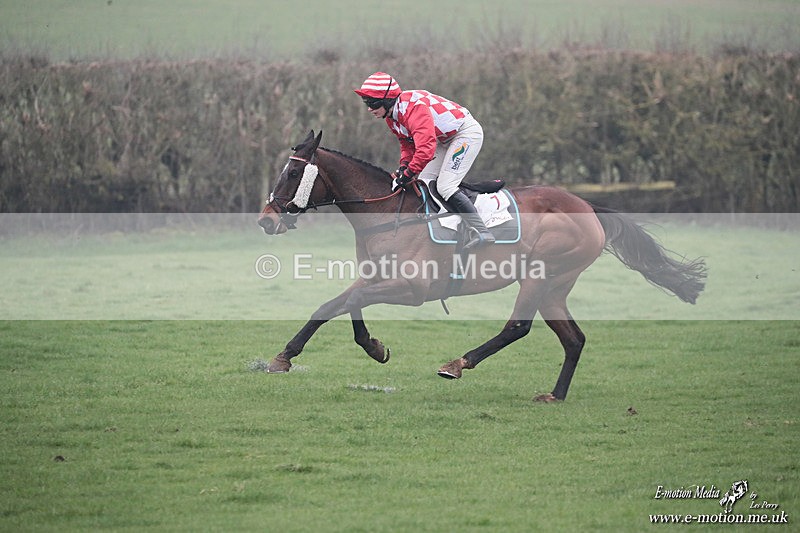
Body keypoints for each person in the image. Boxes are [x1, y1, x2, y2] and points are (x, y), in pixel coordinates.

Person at [354, 72, 494, 249]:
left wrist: (408, 173)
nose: (369, 108)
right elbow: (407, 144)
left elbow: (426, 149)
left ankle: (481, 231)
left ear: (387, 100)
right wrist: (404, 166)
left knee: (445, 186)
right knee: (425, 183)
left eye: (372, 103)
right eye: (366, 102)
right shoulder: (392, 117)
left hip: (465, 134)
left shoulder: (414, 109)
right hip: (443, 139)